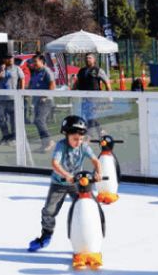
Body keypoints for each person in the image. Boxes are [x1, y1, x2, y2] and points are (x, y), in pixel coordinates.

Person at [26, 115, 101, 252]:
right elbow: (55, 163)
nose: (78, 142)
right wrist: (66, 175)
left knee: (90, 207)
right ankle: (46, 235)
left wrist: (98, 172)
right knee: (49, 211)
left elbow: (96, 161)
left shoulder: (83, 146)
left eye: (80, 139)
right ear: (67, 135)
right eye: (74, 139)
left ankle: (90, 237)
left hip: (77, 184)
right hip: (58, 184)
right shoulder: (61, 146)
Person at [73, 53, 110, 138]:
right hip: (83, 97)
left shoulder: (98, 70)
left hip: (94, 97)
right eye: (86, 58)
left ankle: (88, 135)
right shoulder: (81, 71)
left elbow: (107, 82)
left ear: (94, 60)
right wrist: (72, 91)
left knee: (91, 115)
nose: (87, 59)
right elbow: (77, 82)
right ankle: (101, 131)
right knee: (87, 115)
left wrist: (109, 95)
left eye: (89, 58)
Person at [0, 54, 25, 144]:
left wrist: (21, 92)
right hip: (1, 98)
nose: (11, 60)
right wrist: (1, 70)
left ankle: (14, 137)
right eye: (8, 58)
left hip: (13, 98)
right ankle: (6, 135)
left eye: (12, 58)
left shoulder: (17, 68)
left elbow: (22, 79)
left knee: (13, 118)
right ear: (4, 59)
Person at [28, 54, 57, 152]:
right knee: (38, 121)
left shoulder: (46, 71)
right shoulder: (35, 72)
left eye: (35, 61)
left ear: (42, 62)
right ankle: (44, 144)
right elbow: (32, 85)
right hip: (37, 101)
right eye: (33, 61)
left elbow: (52, 84)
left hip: (46, 101)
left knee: (39, 120)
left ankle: (49, 141)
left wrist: (45, 96)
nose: (33, 63)